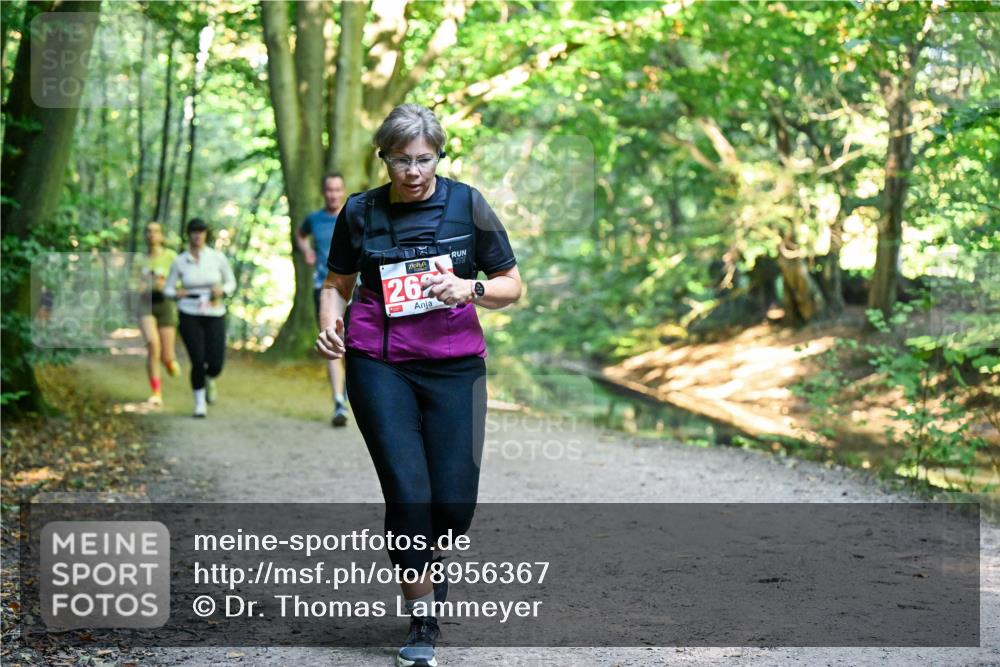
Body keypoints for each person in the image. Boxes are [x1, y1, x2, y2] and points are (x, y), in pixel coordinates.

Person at [315, 104, 522, 667]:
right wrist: (329, 320)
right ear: (384, 158)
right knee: (409, 493)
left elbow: (511, 285)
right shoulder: (359, 212)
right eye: (401, 160)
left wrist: (469, 289)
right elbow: (336, 283)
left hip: (456, 365)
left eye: (424, 159)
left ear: (439, 156)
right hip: (379, 363)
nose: (413, 172)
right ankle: (423, 615)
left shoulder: (468, 204)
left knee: (453, 504)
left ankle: (429, 569)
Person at [163, 218, 236, 418]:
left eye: (201, 232)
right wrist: (176, 293)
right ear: (189, 234)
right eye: (194, 232)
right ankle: (199, 403)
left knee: (215, 362)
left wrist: (223, 290)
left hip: (214, 312)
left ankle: (210, 378)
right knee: (197, 359)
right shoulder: (180, 261)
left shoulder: (217, 258)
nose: (197, 235)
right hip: (189, 312)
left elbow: (231, 282)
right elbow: (168, 288)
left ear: (206, 235)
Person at [296, 172, 350, 427]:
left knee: (356, 345)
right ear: (323, 192)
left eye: (337, 190)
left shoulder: (353, 215)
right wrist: (306, 250)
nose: (333, 194)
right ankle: (338, 401)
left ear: (343, 191)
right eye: (329, 190)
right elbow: (300, 234)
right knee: (332, 339)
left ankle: (350, 393)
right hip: (325, 288)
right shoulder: (314, 220)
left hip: (357, 290)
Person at [135, 221, 181, 406]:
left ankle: (170, 363)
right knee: (153, 346)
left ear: (161, 235)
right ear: (145, 236)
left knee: (166, 356)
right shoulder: (139, 260)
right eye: (148, 231)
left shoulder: (171, 257)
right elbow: (131, 285)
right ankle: (156, 393)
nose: (152, 234)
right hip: (145, 305)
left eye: (155, 231)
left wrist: (166, 286)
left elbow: (180, 283)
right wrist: (142, 286)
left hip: (165, 304)